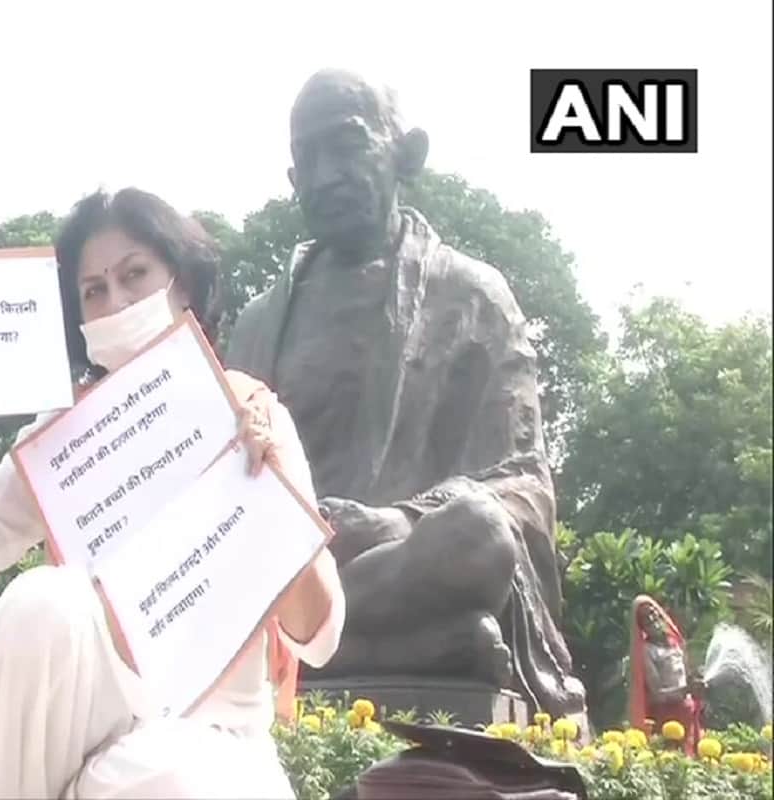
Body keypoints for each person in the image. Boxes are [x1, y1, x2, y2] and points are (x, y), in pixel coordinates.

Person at [0, 187, 345, 799]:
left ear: (184, 285)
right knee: (43, 599)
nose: (118, 301)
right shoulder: (63, 438)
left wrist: (270, 495)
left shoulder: (248, 412)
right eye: (94, 290)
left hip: (210, 743)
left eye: (135, 276)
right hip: (83, 741)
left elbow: (320, 636)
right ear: (77, 316)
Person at [224, 68, 586, 717]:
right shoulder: (258, 325)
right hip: (292, 572)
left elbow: (526, 488)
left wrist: (399, 520)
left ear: (405, 153)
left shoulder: (473, 299)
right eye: (308, 159)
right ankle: (399, 642)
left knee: (478, 533)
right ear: (292, 182)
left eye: (347, 146)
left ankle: (325, 640)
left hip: (410, 561)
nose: (327, 174)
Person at [629, 595, 705, 756]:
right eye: (645, 618)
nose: (652, 618)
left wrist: (698, 683)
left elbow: (689, 678)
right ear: (641, 627)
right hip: (667, 720)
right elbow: (657, 695)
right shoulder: (647, 651)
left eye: (654, 612)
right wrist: (685, 690)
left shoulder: (676, 643)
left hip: (688, 716)